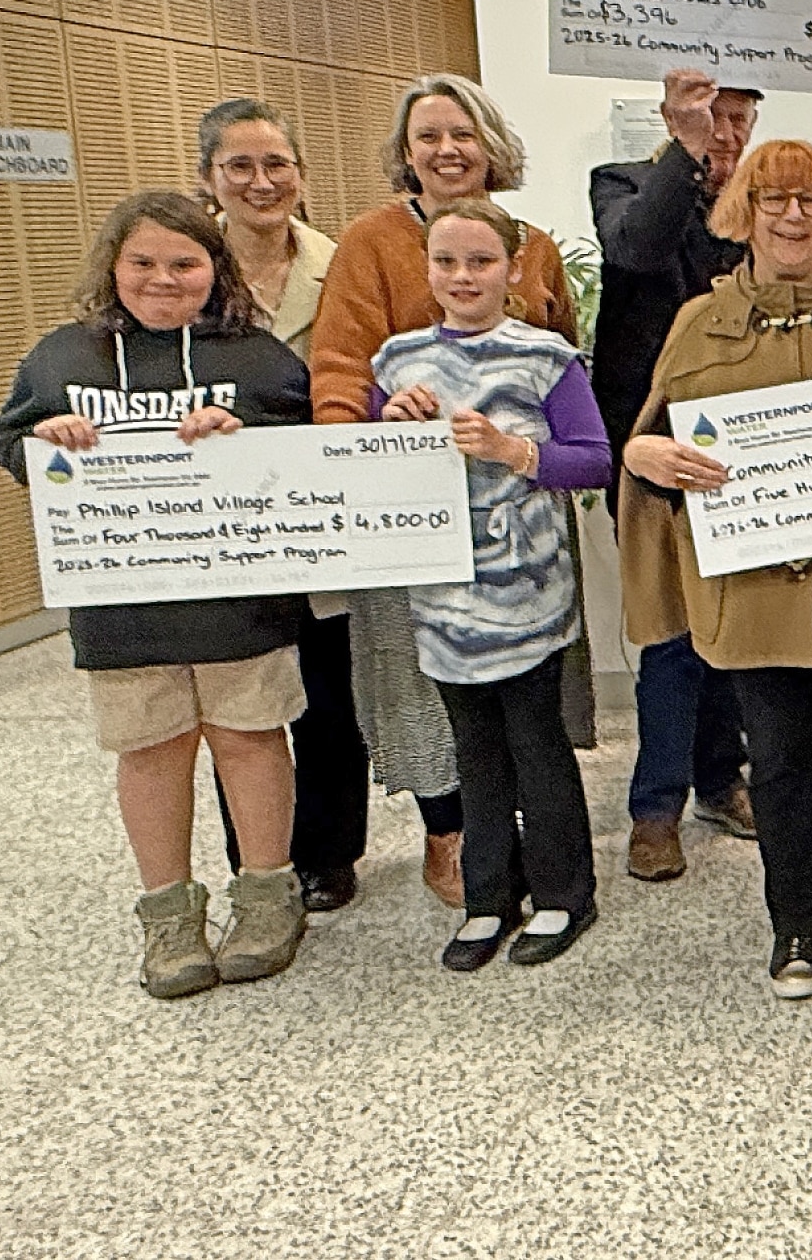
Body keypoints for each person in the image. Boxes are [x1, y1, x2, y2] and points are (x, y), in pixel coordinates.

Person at [618, 139, 812, 1000]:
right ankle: (794, 923)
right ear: (744, 214)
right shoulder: (700, 322)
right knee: (782, 761)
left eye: (810, 200)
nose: (792, 216)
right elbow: (652, 439)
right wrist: (645, 457)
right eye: (773, 200)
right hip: (752, 591)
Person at [0, 191, 312, 998]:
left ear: (215, 268)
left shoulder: (259, 358)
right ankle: (168, 917)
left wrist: (247, 439)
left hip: (241, 599)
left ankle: (268, 899)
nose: (163, 279)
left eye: (184, 263)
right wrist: (44, 443)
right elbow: (7, 439)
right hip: (122, 603)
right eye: (143, 263)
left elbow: (312, 448)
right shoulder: (63, 357)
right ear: (113, 266)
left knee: (249, 739)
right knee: (152, 750)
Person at [310, 74, 576, 908]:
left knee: (527, 701)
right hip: (413, 510)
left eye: (463, 133)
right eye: (428, 136)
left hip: (516, 516)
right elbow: (342, 364)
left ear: (491, 144)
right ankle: (450, 835)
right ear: (406, 152)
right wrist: (363, 450)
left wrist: (534, 450)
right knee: (425, 688)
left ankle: (539, 845)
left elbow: (562, 350)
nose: (447, 150)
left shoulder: (534, 243)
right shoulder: (370, 240)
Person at [373, 199, 612, 969]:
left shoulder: (547, 357)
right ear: (426, 269)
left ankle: (565, 893)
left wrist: (513, 450)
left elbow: (594, 459)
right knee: (472, 751)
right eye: (446, 261)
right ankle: (488, 898)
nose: (463, 276)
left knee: (537, 745)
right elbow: (374, 470)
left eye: (481, 261)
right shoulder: (396, 360)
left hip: (528, 593)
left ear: (513, 268)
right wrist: (390, 424)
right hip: (442, 597)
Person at [193, 97, 368, 914]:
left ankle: (331, 853)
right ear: (208, 179)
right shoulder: (182, 271)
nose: (261, 182)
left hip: (324, 512)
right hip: (225, 521)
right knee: (241, 703)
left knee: (329, 693)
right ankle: (259, 860)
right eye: (240, 166)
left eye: (277, 165)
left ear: (301, 173)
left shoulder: (343, 263)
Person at [590, 66, 762, 882]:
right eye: (708, 117)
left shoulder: (764, 202)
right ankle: (653, 808)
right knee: (669, 635)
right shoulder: (624, 182)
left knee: (726, 623)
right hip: (648, 447)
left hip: (744, 452)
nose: (723, 134)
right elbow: (638, 248)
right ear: (674, 115)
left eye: (737, 120)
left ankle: (720, 780)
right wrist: (685, 154)